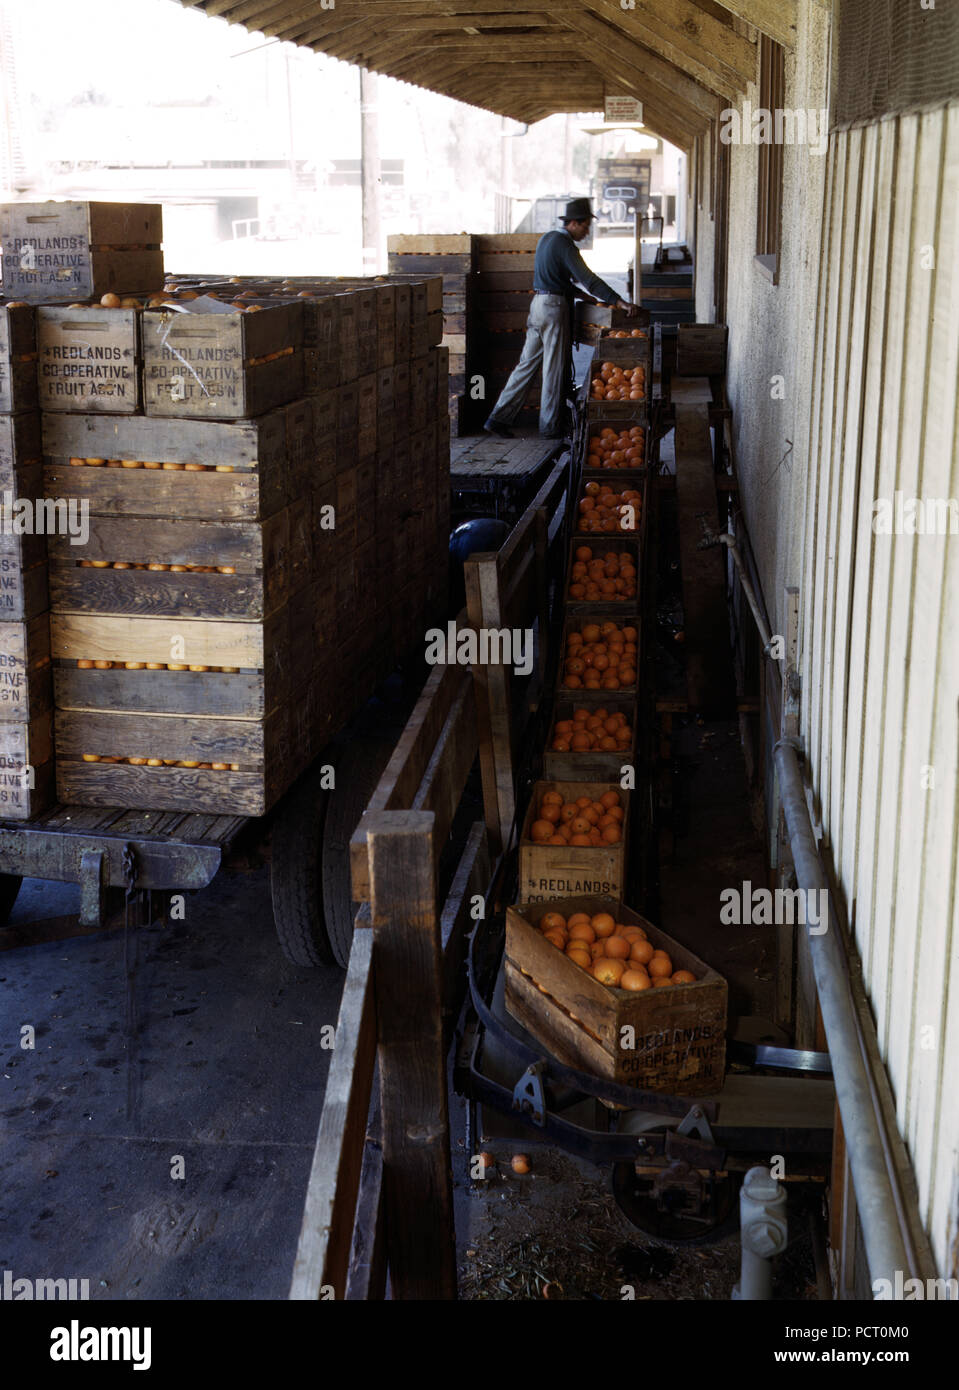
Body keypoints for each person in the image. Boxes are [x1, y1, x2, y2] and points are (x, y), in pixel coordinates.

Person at [484, 197, 640, 440]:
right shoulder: (565, 245)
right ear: (575, 223)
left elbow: (554, 279)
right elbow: (589, 279)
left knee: (526, 366)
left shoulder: (547, 239)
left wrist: (579, 295)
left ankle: (498, 418)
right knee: (554, 369)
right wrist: (619, 301)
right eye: (586, 225)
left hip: (537, 305)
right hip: (554, 309)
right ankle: (550, 428)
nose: (588, 231)